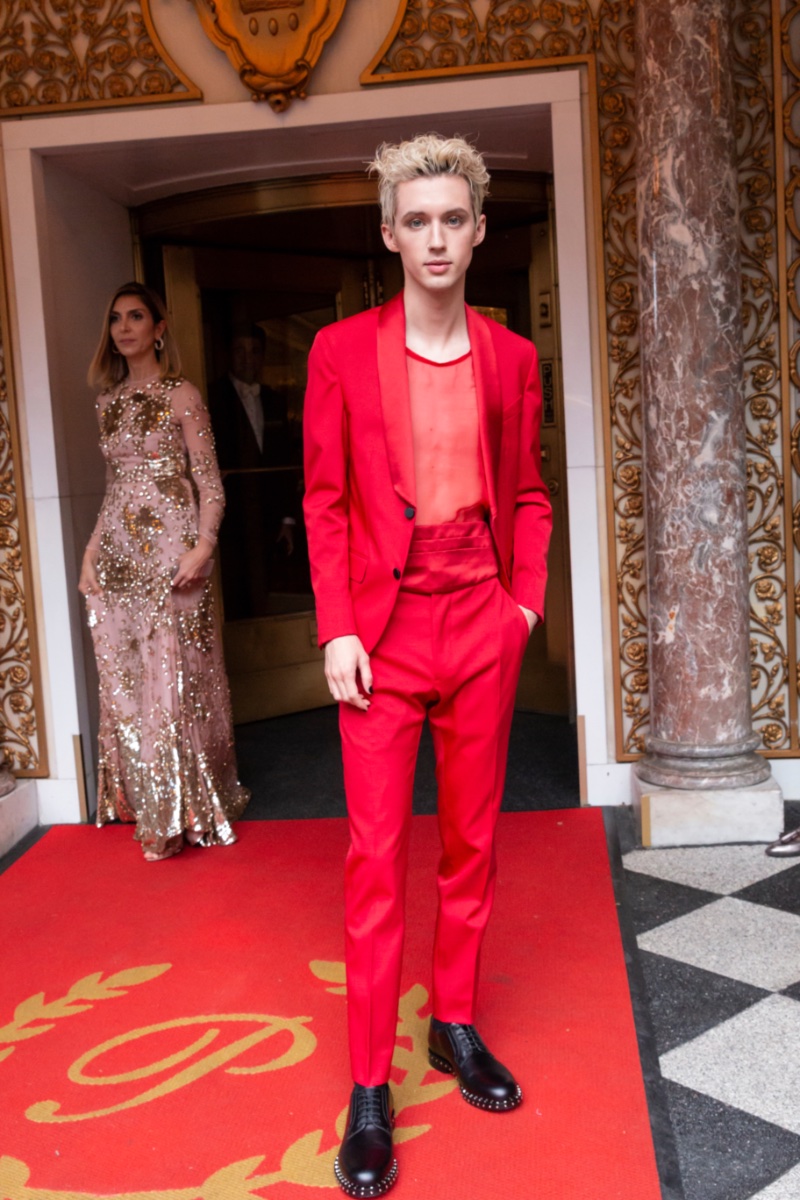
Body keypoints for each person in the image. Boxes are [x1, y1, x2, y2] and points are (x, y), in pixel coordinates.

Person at [303, 135, 552, 1196]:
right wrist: (336, 629)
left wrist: (523, 605)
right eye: (417, 221)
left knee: (471, 841)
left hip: (479, 615)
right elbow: (320, 501)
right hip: (383, 628)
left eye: (453, 218)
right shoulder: (339, 352)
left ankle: (453, 1024)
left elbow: (528, 493)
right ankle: (368, 1086)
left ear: (478, 228)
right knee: (373, 859)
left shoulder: (509, 358)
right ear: (389, 235)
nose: (436, 237)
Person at [79, 282, 249, 862]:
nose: (124, 328)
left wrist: (203, 547)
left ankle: (186, 811)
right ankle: (150, 802)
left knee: (176, 681)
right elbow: (114, 490)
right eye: (116, 319)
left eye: (136, 317)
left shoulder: (183, 395)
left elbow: (211, 485)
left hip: (174, 554)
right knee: (128, 681)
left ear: (159, 326)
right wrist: (89, 555)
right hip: (119, 555)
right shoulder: (106, 402)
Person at [208, 326, 298, 619]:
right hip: (230, 519)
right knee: (234, 594)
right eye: (239, 351)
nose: (248, 359)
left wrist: (287, 519)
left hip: (269, 517)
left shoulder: (274, 399)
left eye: (255, 351)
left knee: (269, 593)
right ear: (228, 355)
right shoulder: (212, 397)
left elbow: (284, 458)